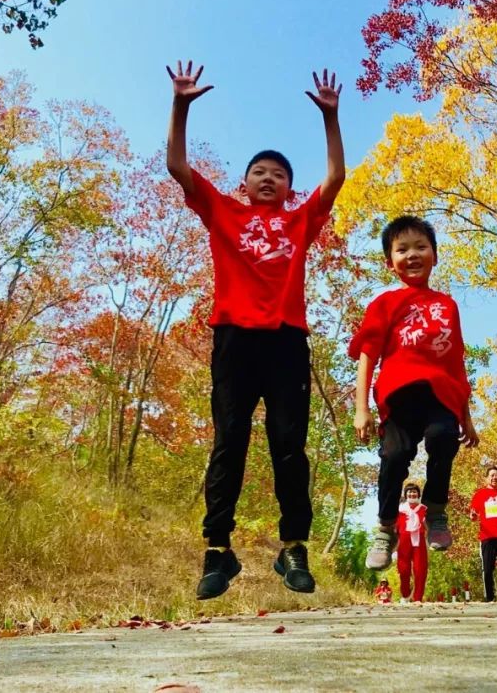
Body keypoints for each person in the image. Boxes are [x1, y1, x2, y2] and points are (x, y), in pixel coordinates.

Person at [165, 61, 345, 599]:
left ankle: (293, 547)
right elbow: (177, 165)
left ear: (290, 188)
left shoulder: (300, 220)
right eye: (259, 171)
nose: (269, 177)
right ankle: (218, 550)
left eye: (279, 174)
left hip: (286, 339)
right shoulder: (222, 211)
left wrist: (330, 119)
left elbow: (335, 178)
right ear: (243, 184)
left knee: (289, 445)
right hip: (234, 340)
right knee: (230, 442)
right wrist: (180, 106)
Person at [349, 216, 479, 570]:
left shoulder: (447, 305)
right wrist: (362, 409)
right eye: (402, 249)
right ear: (389, 262)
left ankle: (435, 511)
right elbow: (367, 355)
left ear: (434, 255)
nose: (412, 255)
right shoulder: (384, 303)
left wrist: (466, 416)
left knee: (443, 437)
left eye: (421, 247)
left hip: (441, 395)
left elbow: (456, 361)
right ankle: (385, 527)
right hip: (398, 396)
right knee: (394, 455)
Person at [469, 466, 497, 602]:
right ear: (487, 478)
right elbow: (473, 515)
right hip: (487, 536)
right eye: (492, 475)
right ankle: (489, 596)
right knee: (488, 567)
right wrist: (472, 516)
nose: (495, 477)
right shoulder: (480, 494)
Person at [396, 482, 428, 603]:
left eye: (414, 492)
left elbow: (429, 526)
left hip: (419, 540)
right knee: (403, 569)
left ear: (418, 495)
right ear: (405, 495)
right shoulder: (399, 510)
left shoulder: (424, 509)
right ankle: (405, 594)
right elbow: (394, 528)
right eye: (409, 492)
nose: (412, 494)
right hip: (403, 541)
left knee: (420, 569)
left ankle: (418, 597)